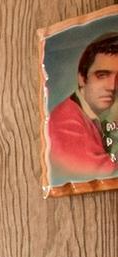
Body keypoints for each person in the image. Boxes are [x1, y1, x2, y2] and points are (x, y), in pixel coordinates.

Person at [48, 31, 118, 186]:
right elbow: (107, 174)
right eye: (102, 75)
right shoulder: (66, 125)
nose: (112, 87)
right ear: (82, 78)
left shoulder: (87, 115)